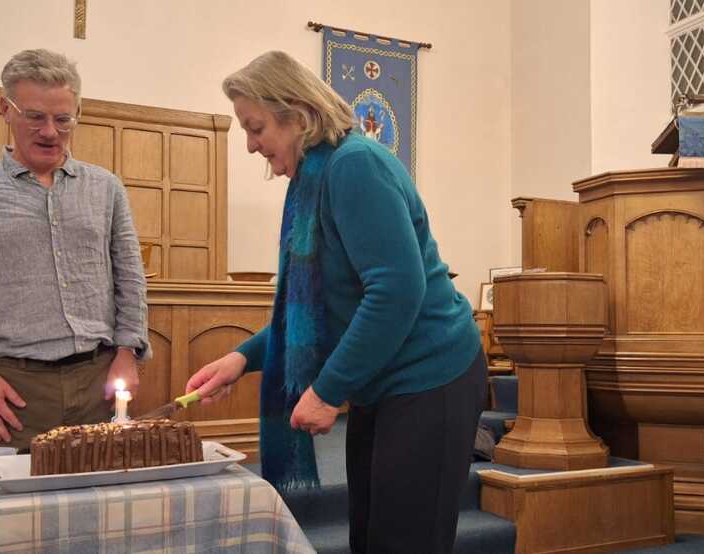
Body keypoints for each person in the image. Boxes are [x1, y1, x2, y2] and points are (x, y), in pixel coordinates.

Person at [185, 51, 486, 554]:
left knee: (406, 542)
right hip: (384, 384)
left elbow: (395, 291)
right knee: (371, 538)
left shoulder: (355, 167)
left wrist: (327, 390)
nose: (250, 145)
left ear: (297, 114)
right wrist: (241, 359)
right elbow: (316, 307)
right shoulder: (315, 177)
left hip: (431, 378)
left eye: (256, 127)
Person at [0, 49, 149, 448]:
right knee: (12, 508)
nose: (50, 131)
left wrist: (127, 354)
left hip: (98, 381)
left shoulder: (106, 188)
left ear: (77, 113)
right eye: (35, 116)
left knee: (101, 502)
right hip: (12, 391)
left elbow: (130, 279)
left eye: (63, 119)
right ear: (6, 110)